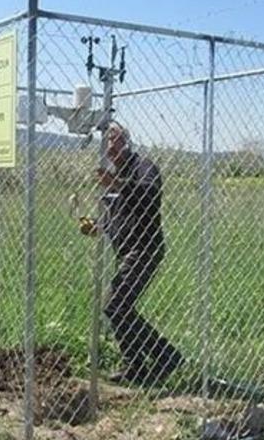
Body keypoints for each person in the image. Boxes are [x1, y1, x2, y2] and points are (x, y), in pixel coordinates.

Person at [79, 123, 182, 385]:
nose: (109, 146)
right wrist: (98, 226)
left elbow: (148, 196)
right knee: (119, 308)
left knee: (114, 305)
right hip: (125, 251)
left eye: (113, 140)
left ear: (126, 142)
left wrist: (115, 182)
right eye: (106, 142)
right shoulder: (114, 176)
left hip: (145, 249)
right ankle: (137, 365)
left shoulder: (143, 167)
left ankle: (165, 356)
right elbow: (115, 216)